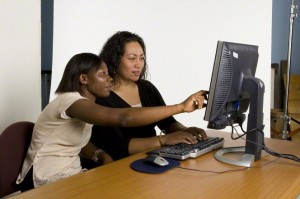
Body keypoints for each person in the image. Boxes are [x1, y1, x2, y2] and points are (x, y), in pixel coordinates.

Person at [16, 52, 206, 189]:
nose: (109, 79)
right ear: (83, 78)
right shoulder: (71, 102)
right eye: (102, 74)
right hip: (45, 181)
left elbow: (76, 141)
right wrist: (181, 107)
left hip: (72, 174)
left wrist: (100, 155)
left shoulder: (85, 105)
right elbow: (122, 118)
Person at [90, 31, 208, 161]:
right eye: (132, 58)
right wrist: (162, 140)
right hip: (121, 165)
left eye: (141, 58)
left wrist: (186, 131)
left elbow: (168, 123)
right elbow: (118, 146)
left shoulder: (147, 88)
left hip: (153, 158)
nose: (138, 64)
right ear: (115, 59)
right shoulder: (101, 96)